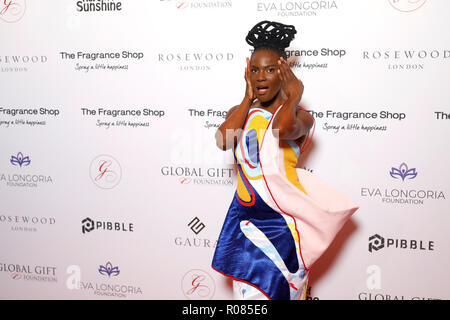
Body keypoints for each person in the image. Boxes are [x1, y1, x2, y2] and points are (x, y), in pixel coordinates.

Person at [211, 21, 358, 300]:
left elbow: (281, 129)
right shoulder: (240, 112)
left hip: (284, 229)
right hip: (246, 226)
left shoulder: (302, 116)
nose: (261, 77)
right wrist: (246, 98)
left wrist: (293, 97)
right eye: (254, 70)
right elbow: (223, 141)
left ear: (283, 72)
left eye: (269, 69)